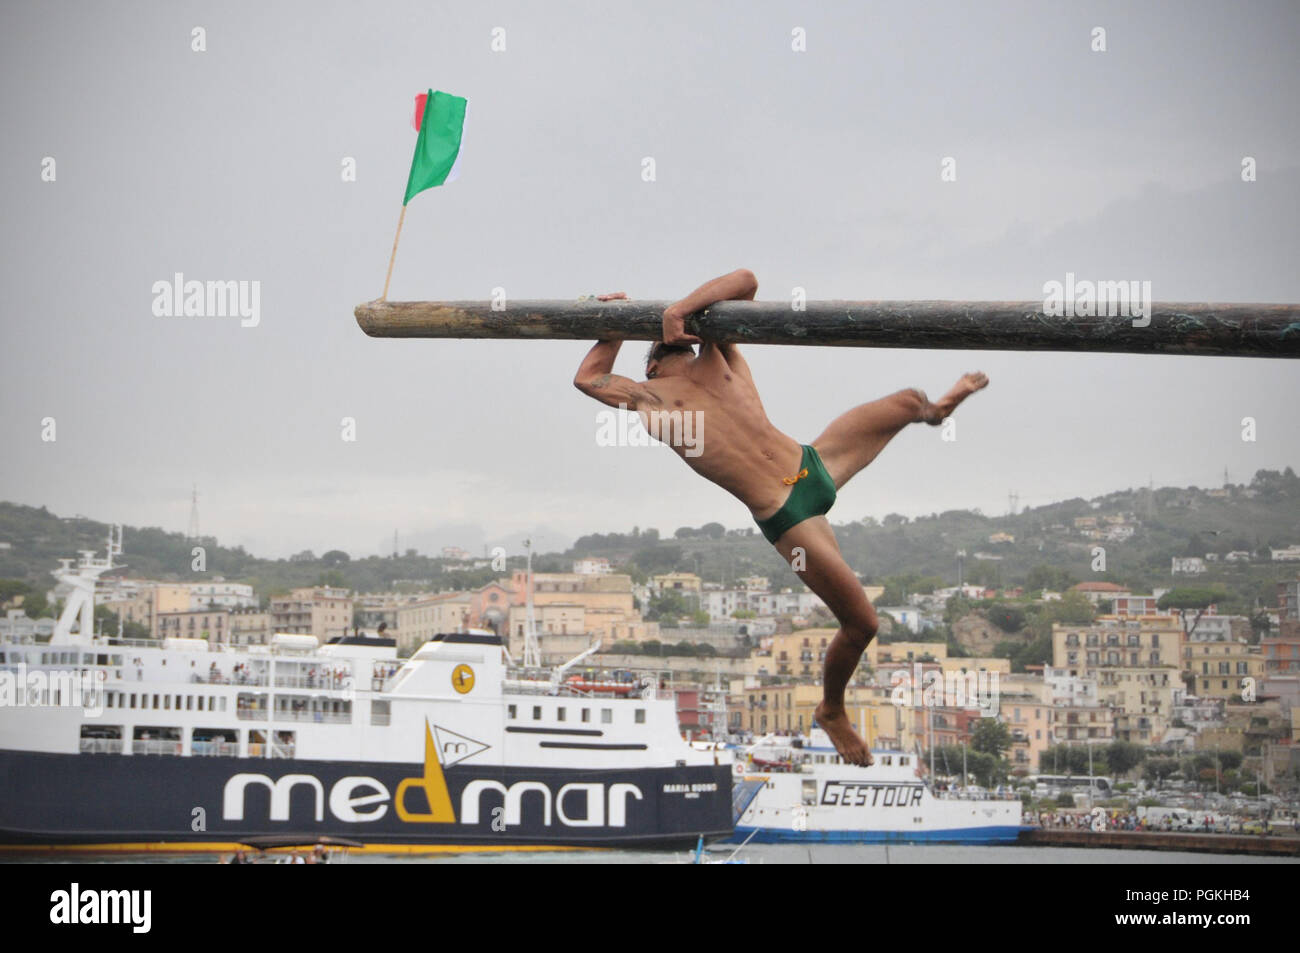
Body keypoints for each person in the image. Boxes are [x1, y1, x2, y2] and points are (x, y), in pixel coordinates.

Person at [574, 269, 988, 765]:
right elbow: (587, 378)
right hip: (785, 515)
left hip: (813, 464)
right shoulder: (649, 397)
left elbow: (746, 281)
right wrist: (615, 321)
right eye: (674, 347)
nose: (685, 349)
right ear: (656, 365)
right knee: (861, 623)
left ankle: (938, 410)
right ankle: (832, 709)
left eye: (688, 340)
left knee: (908, 402)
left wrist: (679, 311)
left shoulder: (719, 351)